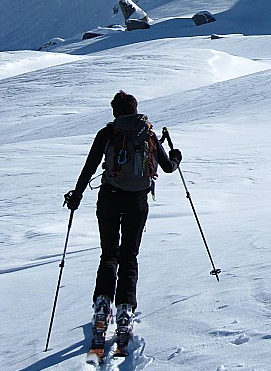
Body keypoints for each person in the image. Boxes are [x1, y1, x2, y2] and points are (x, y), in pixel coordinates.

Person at [64, 90, 182, 349]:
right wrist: (176, 156)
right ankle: (125, 310)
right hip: (137, 201)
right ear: (135, 109)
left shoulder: (107, 133)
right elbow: (167, 167)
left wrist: (77, 194)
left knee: (109, 253)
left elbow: (90, 166)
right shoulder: (148, 134)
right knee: (129, 255)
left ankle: (102, 306)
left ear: (115, 112)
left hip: (109, 197)